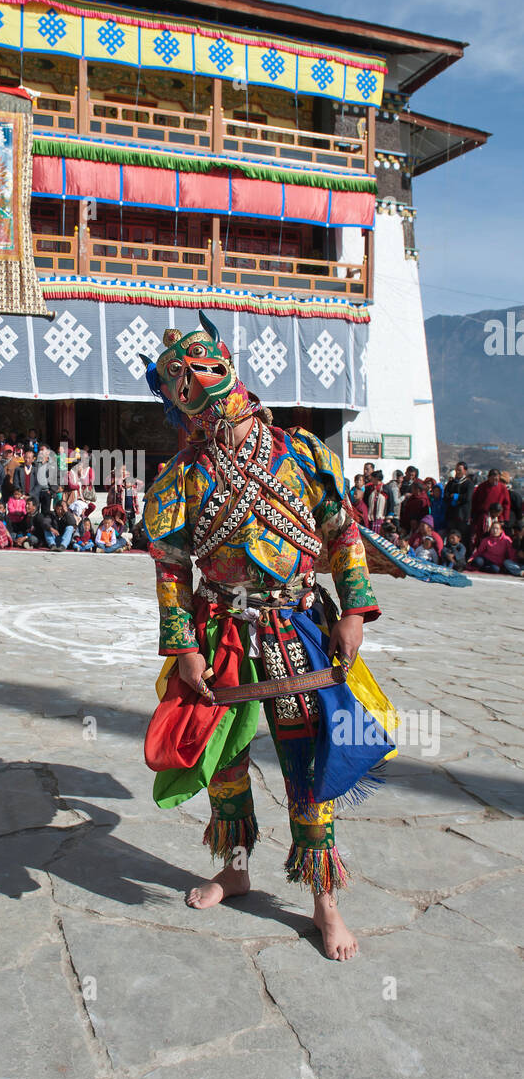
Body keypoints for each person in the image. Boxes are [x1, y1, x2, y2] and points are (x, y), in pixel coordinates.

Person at [140, 311, 399, 962]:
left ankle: (323, 901)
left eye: (203, 369)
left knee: (306, 763)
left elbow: (343, 533)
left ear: (230, 371)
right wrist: (185, 646)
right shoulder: (180, 478)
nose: (195, 385)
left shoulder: (303, 453)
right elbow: (171, 570)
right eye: (180, 380)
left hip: (293, 629)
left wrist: (352, 612)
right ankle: (234, 868)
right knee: (226, 763)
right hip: (222, 633)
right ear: (175, 399)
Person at [443, 462, 473, 540]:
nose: (458, 472)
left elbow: (467, 497)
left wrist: (457, 497)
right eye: (456, 470)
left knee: (463, 537)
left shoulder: (468, 484)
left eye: (460, 470)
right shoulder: (451, 483)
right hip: (451, 515)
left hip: (462, 516)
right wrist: (451, 498)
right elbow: (446, 495)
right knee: (451, 536)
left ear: (465, 471)